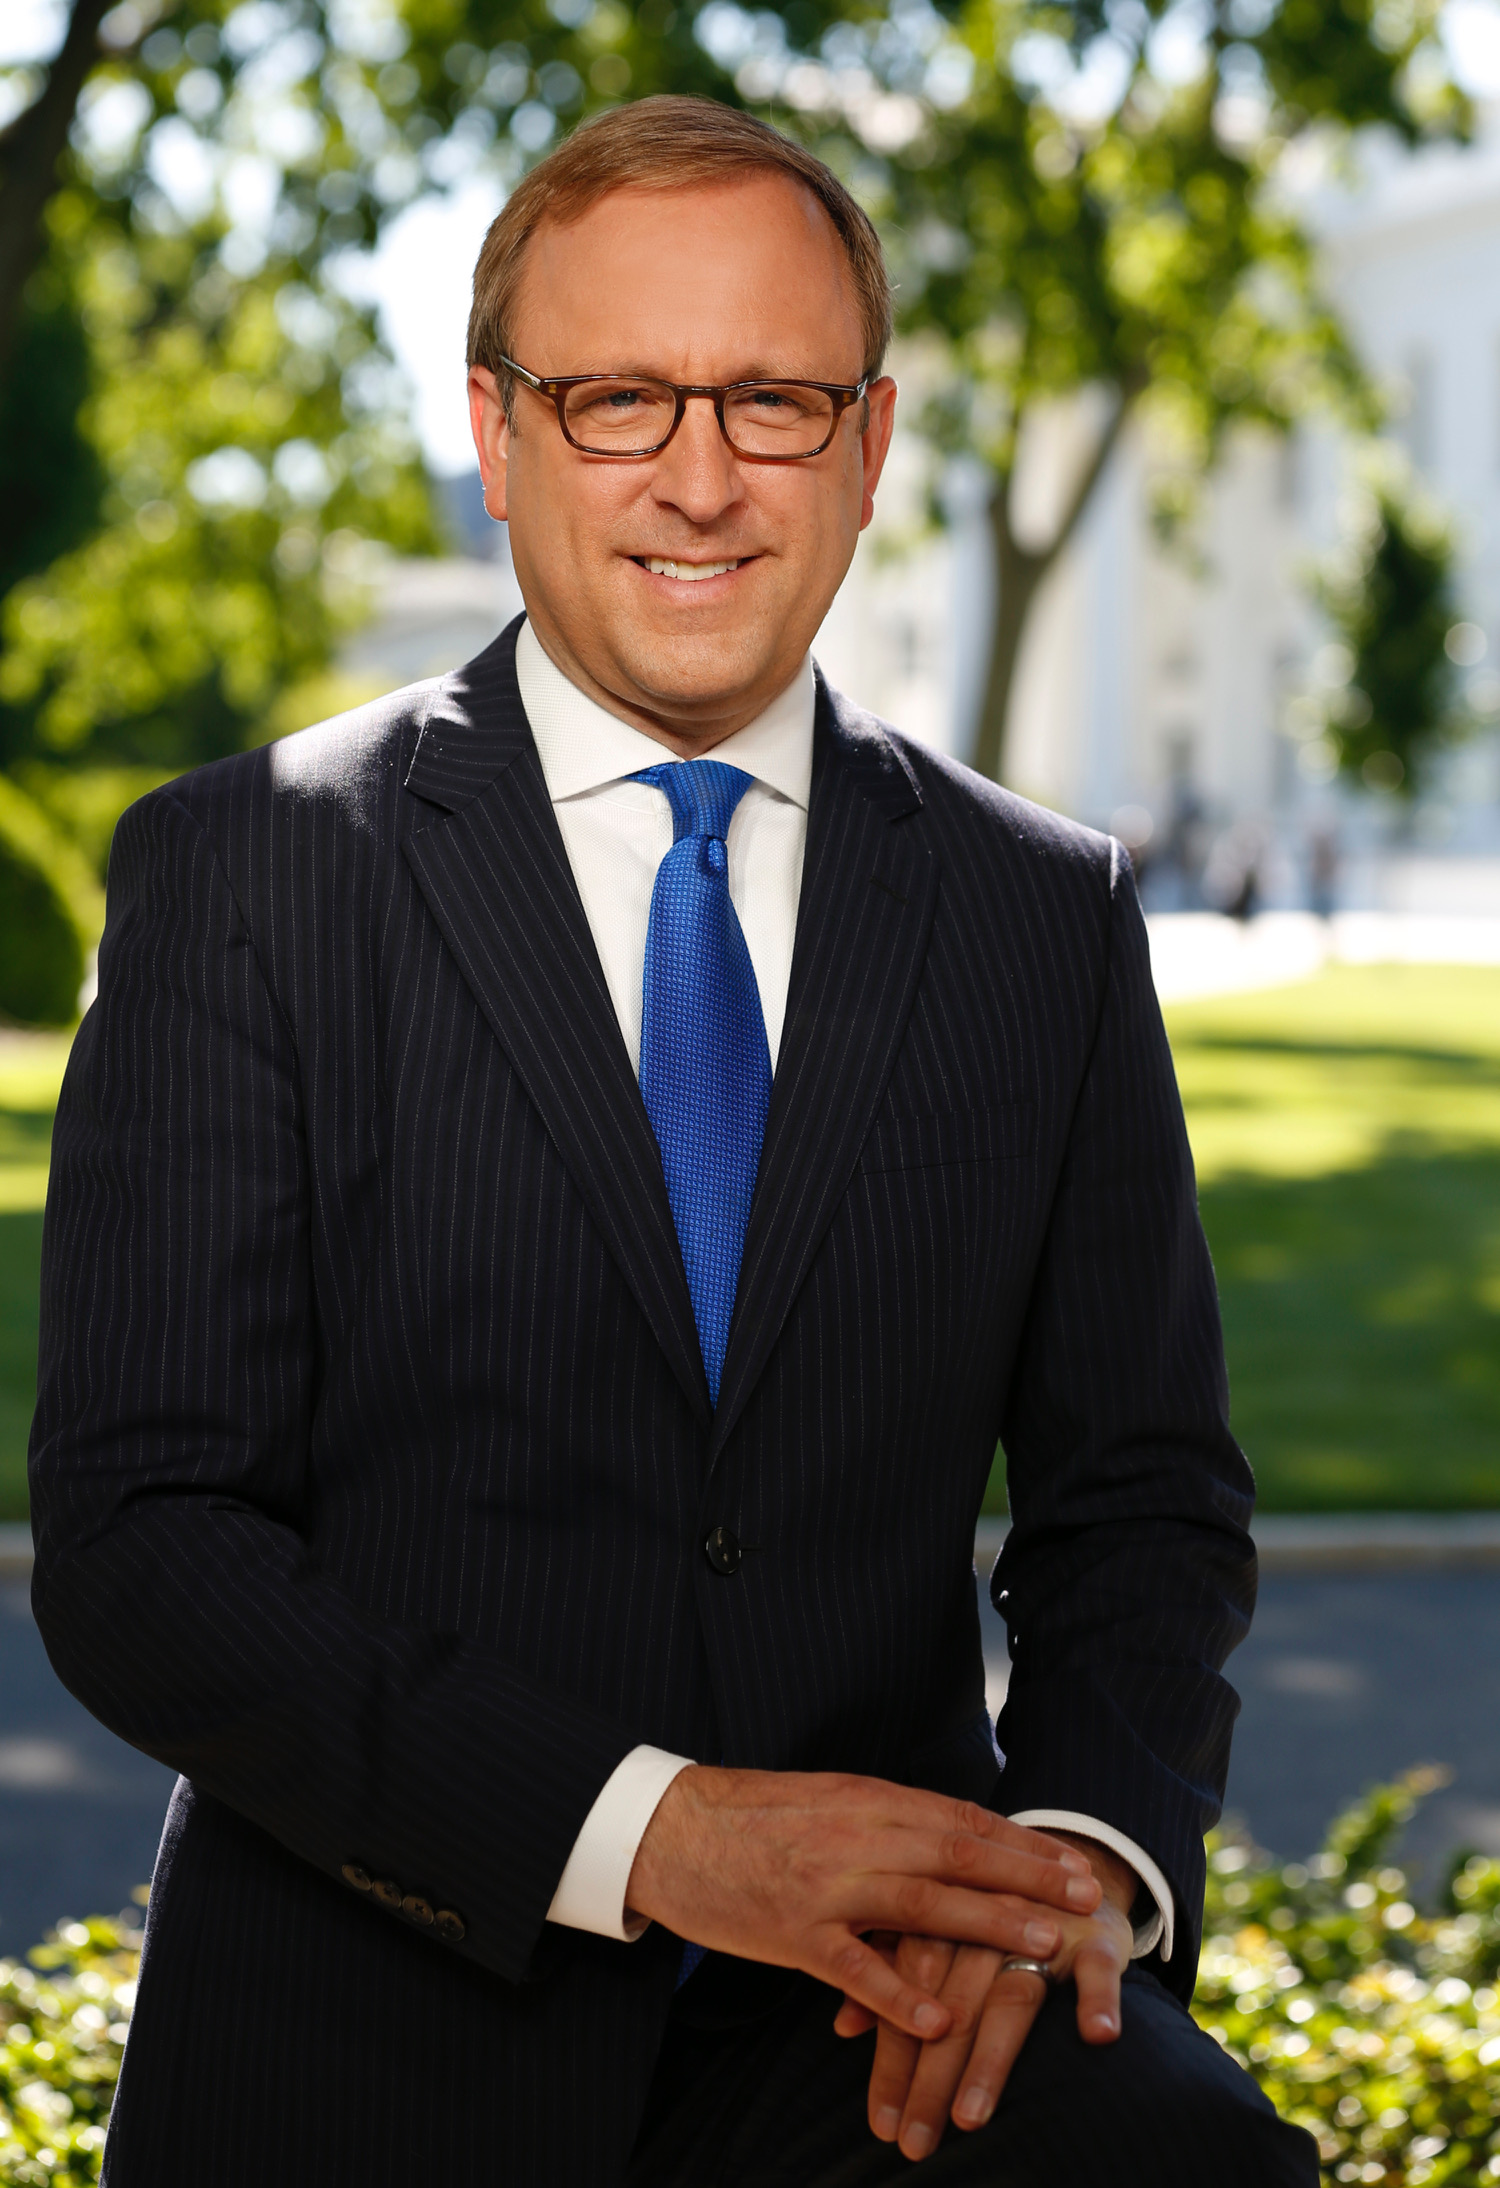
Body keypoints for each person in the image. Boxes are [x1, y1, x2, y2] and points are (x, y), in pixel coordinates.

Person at [28, 96, 1317, 2188]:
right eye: (619, 396)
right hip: (374, 2016)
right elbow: (142, 1542)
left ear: (871, 446)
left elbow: (1146, 1503)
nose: (701, 478)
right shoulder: (243, 872)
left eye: (775, 402)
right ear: (496, 429)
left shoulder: (1041, 914)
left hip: (898, 2035)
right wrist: (651, 1833)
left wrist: (1075, 1859)